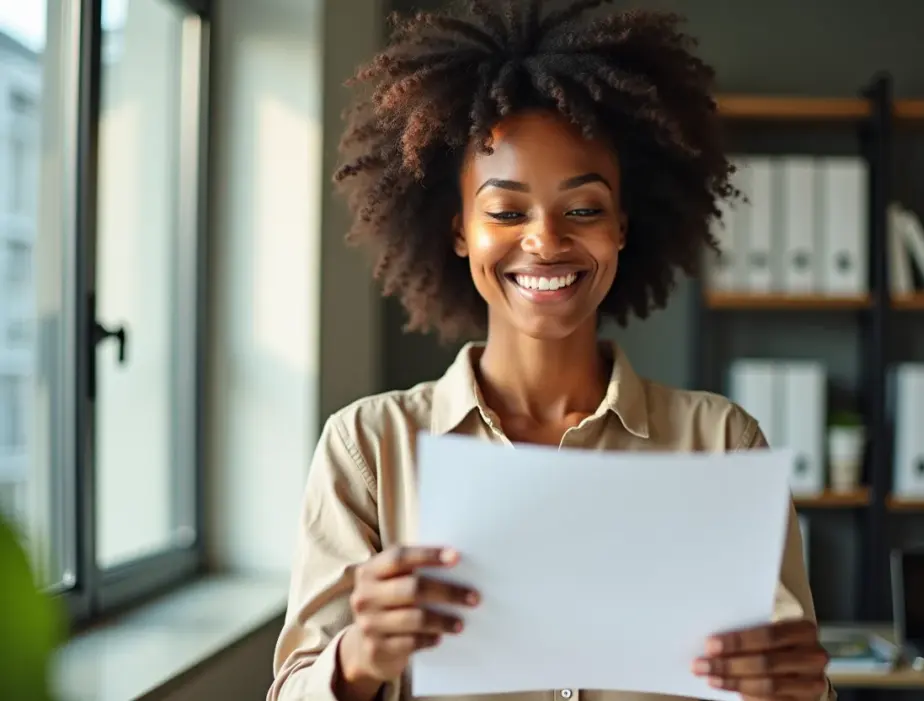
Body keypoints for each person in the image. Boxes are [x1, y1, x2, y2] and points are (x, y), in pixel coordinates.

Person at [268, 1, 834, 700]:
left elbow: (788, 683)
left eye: (585, 209)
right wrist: (357, 656)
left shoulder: (721, 443)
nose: (545, 240)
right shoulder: (367, 447)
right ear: (458, 231)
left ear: (623, 226)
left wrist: (799, 687)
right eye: (506, 212)